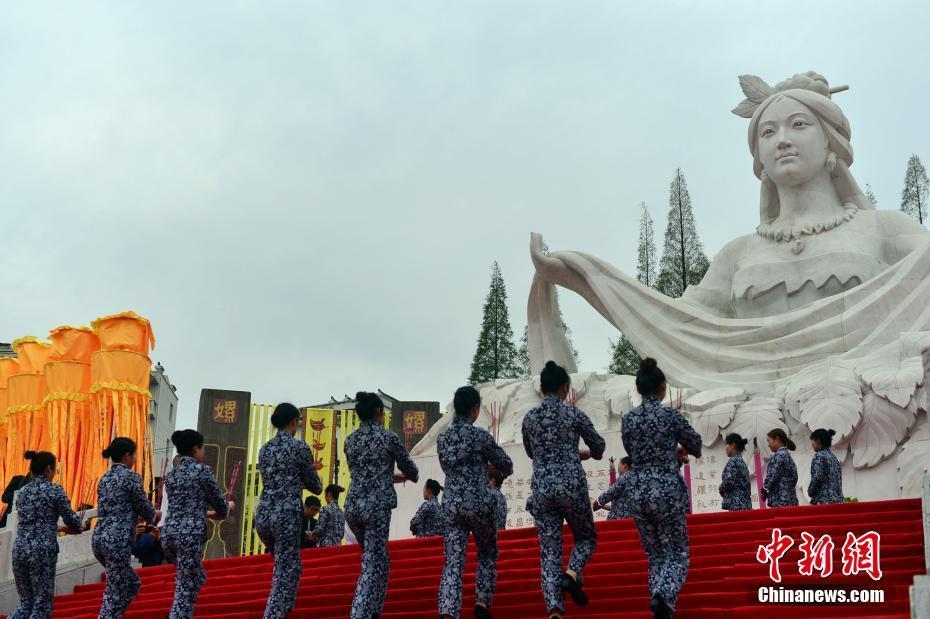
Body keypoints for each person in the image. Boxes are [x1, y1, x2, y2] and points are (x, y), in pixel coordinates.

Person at [522, 361, 606, 619]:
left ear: (542, 388)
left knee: (549, 551)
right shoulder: (573, 414)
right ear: (565, 388)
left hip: (543, 488)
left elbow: (530, 452)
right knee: (586, 537)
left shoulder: (530, 418)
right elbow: (599, 447)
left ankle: (555, 610)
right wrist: (582, 453)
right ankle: (572, 573)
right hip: (572, 485)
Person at [622, 358, 702, 619]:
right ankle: (663, 594)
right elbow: (696, 444)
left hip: (637, 491)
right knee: (677, 553)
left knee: (655, 555)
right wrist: (675, 450)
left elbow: (631, 451)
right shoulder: (669, 415)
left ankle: (661, 607)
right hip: (666, 490)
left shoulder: (628, 420)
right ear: (662, 386)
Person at [438, 385, 514, 619]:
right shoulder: (480, 436)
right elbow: (506, 465)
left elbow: (447, 467)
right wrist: (486, 466)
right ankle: (482, 602)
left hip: (451, 504)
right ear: (475, 409)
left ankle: (449, 610)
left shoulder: (443, 439)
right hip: (479, 502)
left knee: (453, 561)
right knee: (487, 553)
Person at [344, 391, 419, 619]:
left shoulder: (350, 440)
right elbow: (411, 470)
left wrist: (389, 476)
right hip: (376, 508)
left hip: (353, 506)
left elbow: (363, 472)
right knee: (372, 560)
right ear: (378, 412)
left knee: (378, 558)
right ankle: (359, 613)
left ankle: (374, 609)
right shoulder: (388, 437)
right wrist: (409, 475)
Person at [255, 403, 323, 619]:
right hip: (286, 517)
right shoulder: (299, 448)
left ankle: (285, 609)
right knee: (286, 570)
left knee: (288, 566)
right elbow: (316, 486)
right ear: (294, 421)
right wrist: (307, 475)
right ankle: (274, 613)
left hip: (264, 515)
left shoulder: (264, 449)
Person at [162, 429, 233, 619]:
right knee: (187, 585)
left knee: (194, 578)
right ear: (195, 448)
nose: (204, 452)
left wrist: (208, 513)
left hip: (169, 534)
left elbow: (187, 505)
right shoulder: (202, 471)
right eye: (202, 448)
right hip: (189, 535)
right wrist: (227, 507)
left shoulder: (171, 476)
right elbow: (220, 504)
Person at [9, 451, 82, 619]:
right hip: (41, 551)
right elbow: (72, 520)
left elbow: (33, 522)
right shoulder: (54, 490)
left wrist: (57, 528)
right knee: (42, 604)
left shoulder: (23, 492)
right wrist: (78, 526)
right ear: (49, 468)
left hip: (20, 549)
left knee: (26, 604)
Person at [93, 437, 158, 619]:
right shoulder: (131, 477)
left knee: (131, 582)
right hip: (117, 540)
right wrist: (154, 516)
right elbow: (143, 505)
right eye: (135, 455)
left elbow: (108, 508)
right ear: (127, 456)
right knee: (115, 590)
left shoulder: (104, 479)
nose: (135, 459)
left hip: (99, 538)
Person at [761, 428, 799, 508]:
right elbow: (795, 477)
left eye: (769, 441)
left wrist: (764, 489)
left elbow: (772, 476)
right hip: (791, 499)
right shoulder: (788, 456)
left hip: (780, 501)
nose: (768, 444)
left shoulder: (779, 456)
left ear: (777, 439)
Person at [808, 428, 843, 504]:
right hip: (838, 500)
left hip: (824, 501)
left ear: (818, 441)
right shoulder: (833, 457)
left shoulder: (819, 456)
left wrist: (810, 491)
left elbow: (817, 477)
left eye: (813, 441)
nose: (812, 444)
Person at [719, 434, 752, 511]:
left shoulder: (733, 461)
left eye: (726, 444)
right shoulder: (741, 461)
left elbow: (728, 482)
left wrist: (721, 487)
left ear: (733, 445)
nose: (725, 448)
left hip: (736, 505)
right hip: (746, 504)